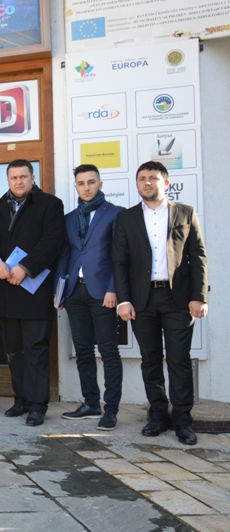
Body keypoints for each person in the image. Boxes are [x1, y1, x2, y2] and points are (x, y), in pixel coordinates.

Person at [113, 161, 208, 445]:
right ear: (137, 184)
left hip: (178, 298)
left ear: (165, 182)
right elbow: (120, 262)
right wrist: (124, 300)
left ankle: (183, 422)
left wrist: (199, 296)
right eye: (142, 178)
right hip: (142, 300)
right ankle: (157, 417)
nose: (147, 182)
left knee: (179, 360)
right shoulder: (126, 218)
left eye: (153, 178)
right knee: (150, 360)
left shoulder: (185, 212)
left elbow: (198, 256)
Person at [0, 159, 64, 427]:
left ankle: (37, 405)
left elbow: (52, 242)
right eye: (14, 177)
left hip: (35, 289)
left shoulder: (50, 205)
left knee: (36, 349)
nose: (19, 181)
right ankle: (20, 398)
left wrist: (26, 267)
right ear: (8, 180)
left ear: (33, 178)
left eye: (23, 177)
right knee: (13, 349)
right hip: (6, 290)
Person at [55, 164, 124, 431]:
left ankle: (111, 409)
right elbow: (65, 254)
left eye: (91, 182)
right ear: (76, 186)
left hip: (103, 293)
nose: (86, 187)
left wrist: (113, 289)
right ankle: (91, 403)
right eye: (81, 183)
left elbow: (120, 256)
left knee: (108, 350)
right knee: (83, 350)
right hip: (75, 292)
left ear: (100, 184)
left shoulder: (116, 214)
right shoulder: (69, 218)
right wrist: (60, 289)